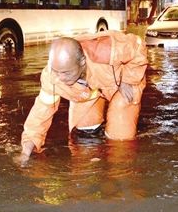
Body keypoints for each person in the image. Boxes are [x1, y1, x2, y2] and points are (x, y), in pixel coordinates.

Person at [17, 30, 148, 165]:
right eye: (56, 72)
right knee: (84, 137)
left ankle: (119, 169)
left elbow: (138, 46)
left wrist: (128, 79)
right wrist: (26, 150)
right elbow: (40, 113)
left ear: (82, 62)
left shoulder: (106, 49)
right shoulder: (51, 77)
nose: (60, 78)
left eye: (66, 73)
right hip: (86, 93)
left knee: (120, 143)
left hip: (120, 84)